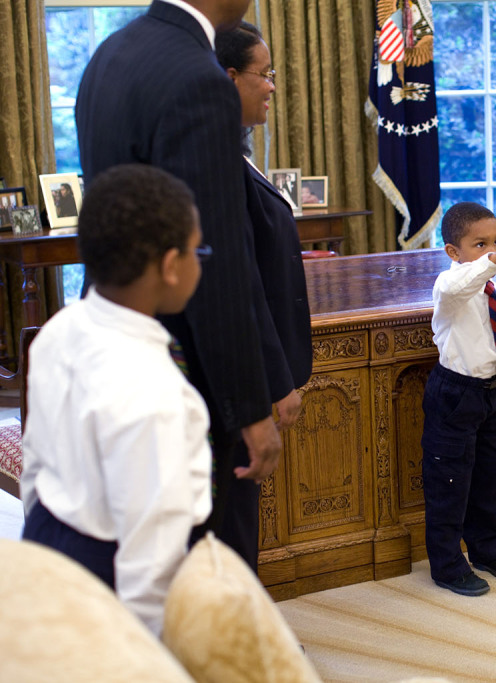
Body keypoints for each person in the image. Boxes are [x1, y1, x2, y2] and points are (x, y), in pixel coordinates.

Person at [75, 0, 283, 562]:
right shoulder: (198, 79)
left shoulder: (109, 55)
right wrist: (250, 407)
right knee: (210, 557)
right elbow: (215, 258)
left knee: (141, 543)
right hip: (188, 367)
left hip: (115, 343)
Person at [20, 163, 211, 636]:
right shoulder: (155, 391)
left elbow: (34, 464)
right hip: (110, 572)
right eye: (196, 250)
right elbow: (152, 555)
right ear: (170, 267)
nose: (199, 262)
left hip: (46, 535)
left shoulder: (58, 330)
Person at [215, 21, 312, 569]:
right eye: (265, 73)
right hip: (246, 380)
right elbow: (242, 282)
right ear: (230, 78)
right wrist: (274, 380)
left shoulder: (237, 150)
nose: (273, 86)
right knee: (232, 521)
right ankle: (239, 644)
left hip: (255, 374)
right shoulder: (217, 162)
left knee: (240, 519)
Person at [422, 202, 496, 597]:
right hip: (454, 394)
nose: (490, 250)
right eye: (479, 244)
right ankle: (447, 564)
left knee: (487, 479)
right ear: (453, 252)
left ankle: (487, 548)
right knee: (450, 482)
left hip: (490, 394)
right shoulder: (449, 289)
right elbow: (459, 284)